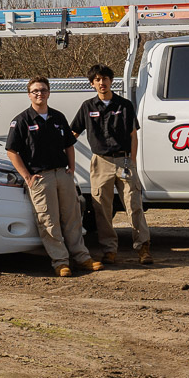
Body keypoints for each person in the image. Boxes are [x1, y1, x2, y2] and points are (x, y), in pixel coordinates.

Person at [4, 77, 100, 277]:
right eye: (35, 91)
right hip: (40, 178)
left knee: (72, 218)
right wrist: (27, 176)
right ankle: (60, 262)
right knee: (49, 221)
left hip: (62, 174)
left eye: (43, 90)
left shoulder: (58, 117)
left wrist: (71, 169)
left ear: (49, 93)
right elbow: (12, 151)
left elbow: (69, 145)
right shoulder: (21, 121)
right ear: (29, 94)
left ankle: (82, 257)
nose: (40, 94)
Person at [70, 62, 150, 266]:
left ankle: (143, 248)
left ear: (111, 81)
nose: (102, 82)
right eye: (97, 80)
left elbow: (134, 136)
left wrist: (131, 161)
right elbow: (73, 133)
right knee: (101, 208)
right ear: (92, 84)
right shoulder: (87, 107)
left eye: (105, 79)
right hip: (100, 162)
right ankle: (109, 250)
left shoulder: (125, 105)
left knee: (134, 205)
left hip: (124, 161)